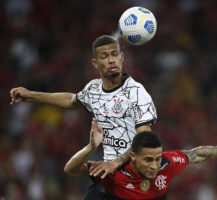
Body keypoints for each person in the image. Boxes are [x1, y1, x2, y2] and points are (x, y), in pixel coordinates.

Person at [9, 35, 157, 199]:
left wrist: (115, 163)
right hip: (109, 178)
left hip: (135, 179)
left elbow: (145, 139)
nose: (111, 60)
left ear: (122, 58)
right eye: (104, 56)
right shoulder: (94, 89)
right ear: (95, 63)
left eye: (115, 54)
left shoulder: (136, 92)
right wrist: (31, 95)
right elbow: (72, 101)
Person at [65, 118, 217, 200]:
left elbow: (195, 154)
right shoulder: (113, 172)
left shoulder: (166, 163)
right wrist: (91, 147)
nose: (155, 165)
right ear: (133, 157)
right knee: (96, 190)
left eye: (157, 158)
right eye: (148, 160)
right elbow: (71, 169)